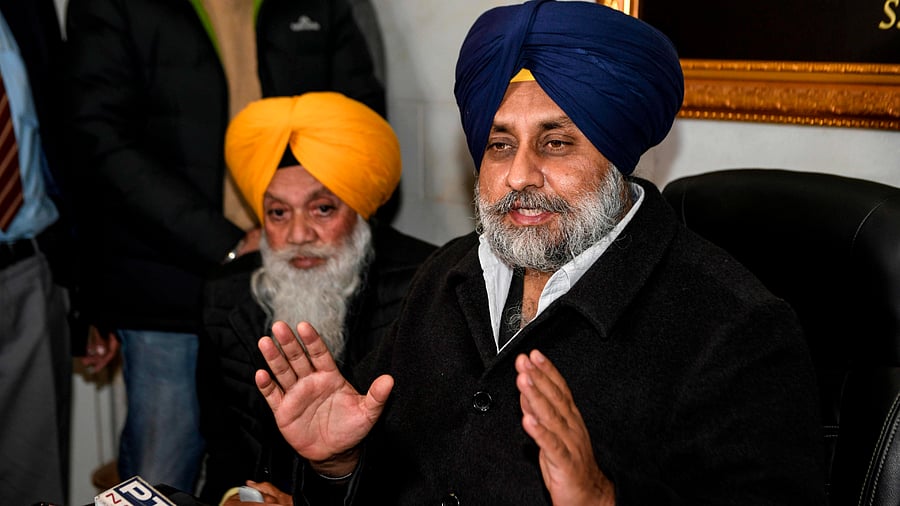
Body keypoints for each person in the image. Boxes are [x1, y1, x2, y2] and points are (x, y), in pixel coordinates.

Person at [253, 1, 827, 505]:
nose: (519, 175)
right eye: (499, 144)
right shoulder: (447, 274)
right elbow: (389, 481)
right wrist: (337, 468)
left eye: (556, 142)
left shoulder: (735, 328)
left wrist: (604, 500)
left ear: (618, 156)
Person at [64, 0, 385, 492]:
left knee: (294, 459)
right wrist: (226, 240)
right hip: (167, 279)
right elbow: (101, 138)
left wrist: (306, 219)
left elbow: (359, 117)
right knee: (160, 470)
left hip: (305, 278)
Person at [196, 92, 435, 504]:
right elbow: (224, 447)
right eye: (278, 213)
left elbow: (429, 466)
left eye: (322, 209)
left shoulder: (424, 289)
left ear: (360, 210)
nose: (299, 235)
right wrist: (235, 496)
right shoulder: (225, 296)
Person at [0, 0, 73, 504]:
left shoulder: (25, 6)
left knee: (33, 483)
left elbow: (64, 134)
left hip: (27, 272)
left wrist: (87, 289)